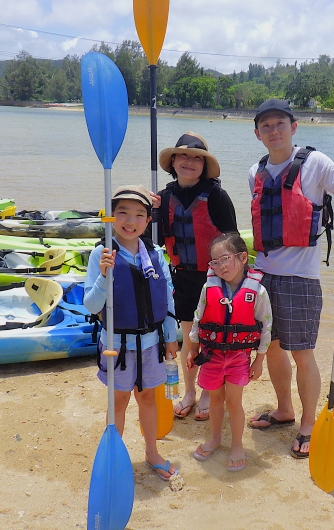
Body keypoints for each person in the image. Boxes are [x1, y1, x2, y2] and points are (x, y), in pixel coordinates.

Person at [247, 99, 334, 458]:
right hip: (262, 277)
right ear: (258, 134)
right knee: (270, 348)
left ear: (293, 127)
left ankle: (307, 423)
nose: (274, 131)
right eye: (266, 126)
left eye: (280, 124)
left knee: (302, 353)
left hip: (301, 278)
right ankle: (284, 409)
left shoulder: (314, 163)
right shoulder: (253, 172)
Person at [83, 185, 179, 481]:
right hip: (118, 346)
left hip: (151, 344)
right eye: (122, 212)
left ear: (148, 222)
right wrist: (102, 276)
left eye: (139, 214)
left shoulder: (154, 253)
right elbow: (91, 303)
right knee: (119, 402)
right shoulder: (102, 253)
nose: (130, 220)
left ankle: (151, 453)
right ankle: (114, 458)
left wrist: (171, 337)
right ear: (111, 217)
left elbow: (168, 298)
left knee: (148, 399)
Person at [153, 132, 238, 422]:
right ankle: (189, 391)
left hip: (215, 279)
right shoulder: (163, 199)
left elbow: (233, 240)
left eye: (197, 159)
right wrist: (150, 211)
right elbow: (153, 240)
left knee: (212, 338)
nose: (189, 162)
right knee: (190, 339)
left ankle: (207, 392)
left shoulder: (216, 196)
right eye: (183, 156)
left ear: (204, 165)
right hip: (184, 278)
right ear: (173, 161)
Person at [187, 233, 271, 471]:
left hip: (239, 357)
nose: (220, 265)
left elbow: (266, 327)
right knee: (215, 399)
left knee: (234, 402)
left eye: (225, 258)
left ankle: (236, 444)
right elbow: (197, 318)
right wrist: (193, 348)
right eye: (214, 261)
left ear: (243, 257)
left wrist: (259, 360)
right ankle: (214, 438)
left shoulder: (258, 292)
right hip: (211, 354)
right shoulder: (208, 288)